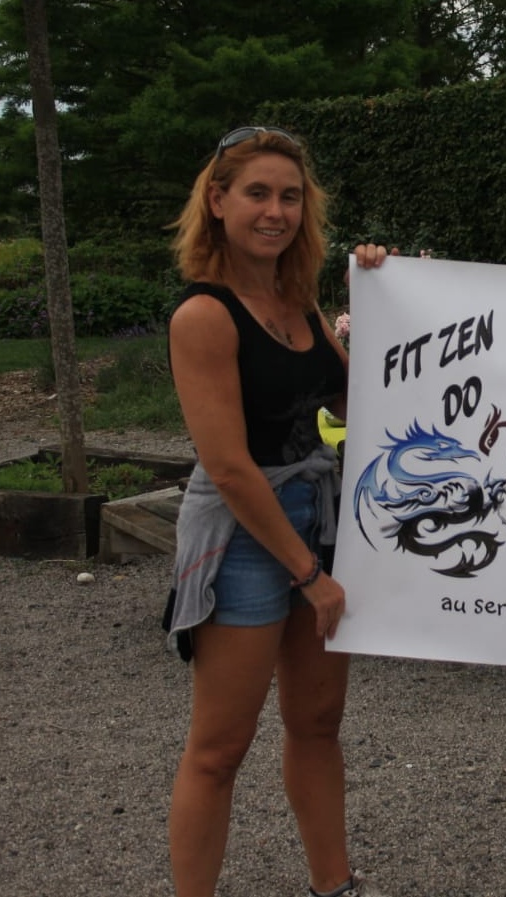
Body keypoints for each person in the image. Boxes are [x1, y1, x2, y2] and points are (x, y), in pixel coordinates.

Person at [164, 124, 389, 897]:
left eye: (290, 196)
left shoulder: (298, 302)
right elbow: (229, 466)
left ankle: (335, 884)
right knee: (219, 748)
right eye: (257, 193)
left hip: (316, 513)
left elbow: (362, 399)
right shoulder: (204, 315)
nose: (276, 211)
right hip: (245, 532)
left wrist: (386, 297)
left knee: (318, 725)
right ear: (217, 200)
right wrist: (309, 575)